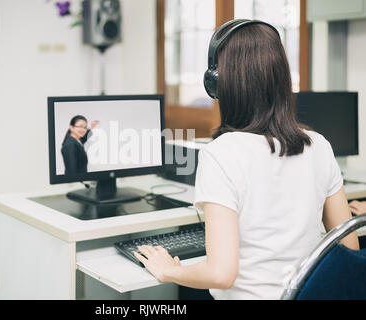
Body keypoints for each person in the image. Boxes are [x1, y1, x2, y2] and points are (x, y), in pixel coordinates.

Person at [134, 19, 360, 299]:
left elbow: (220, 274)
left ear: (218, 83)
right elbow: (349, 249)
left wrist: (168, 270)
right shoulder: (319, 145)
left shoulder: (222, 154)